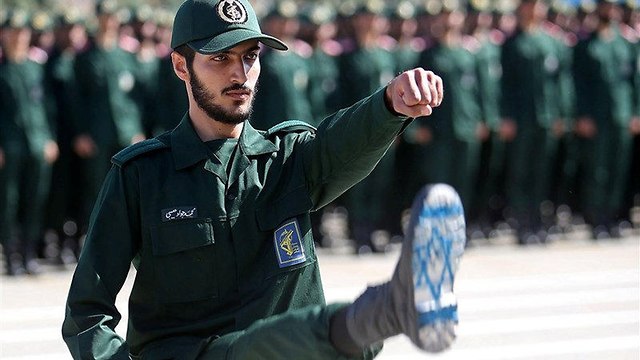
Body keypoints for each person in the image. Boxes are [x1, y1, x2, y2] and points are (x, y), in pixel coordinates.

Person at [62, 0, 465, 359]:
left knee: (296, 344)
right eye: (220, 58)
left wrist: (390, 104)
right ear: (181, 66)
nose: (241, 74)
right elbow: (86, 315)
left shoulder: (288, 158)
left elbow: (341, 142)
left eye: (250, 56)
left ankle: (384, 312)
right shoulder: (141, 177)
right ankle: (388, 309)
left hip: (302, 349)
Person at [0, 9, 59, 275]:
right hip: (9, 145)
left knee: (35, 199)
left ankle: (27, 254)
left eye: (22, 32)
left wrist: (50, 139)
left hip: (36, 143)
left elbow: (47, 108)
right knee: (8, 201)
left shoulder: (35, 69)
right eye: (12, 32)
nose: (18, 37)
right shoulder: (3, 70)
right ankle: (11, 254)